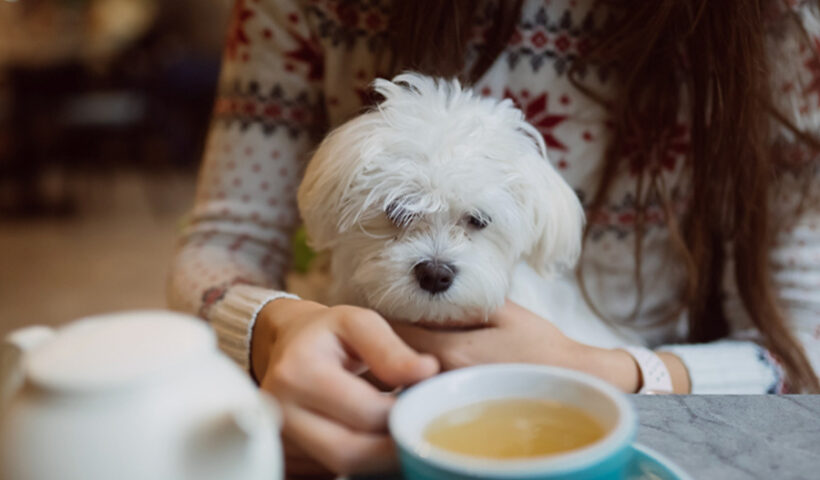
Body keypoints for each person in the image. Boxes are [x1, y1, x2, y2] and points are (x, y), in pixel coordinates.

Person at [169, 0, 820, 476]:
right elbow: (225, 238)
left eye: (474, 224)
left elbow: (806, 342)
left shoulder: (778, 21)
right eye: (400, 213)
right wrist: (271, 329)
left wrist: (617, 372)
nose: (436, 261)